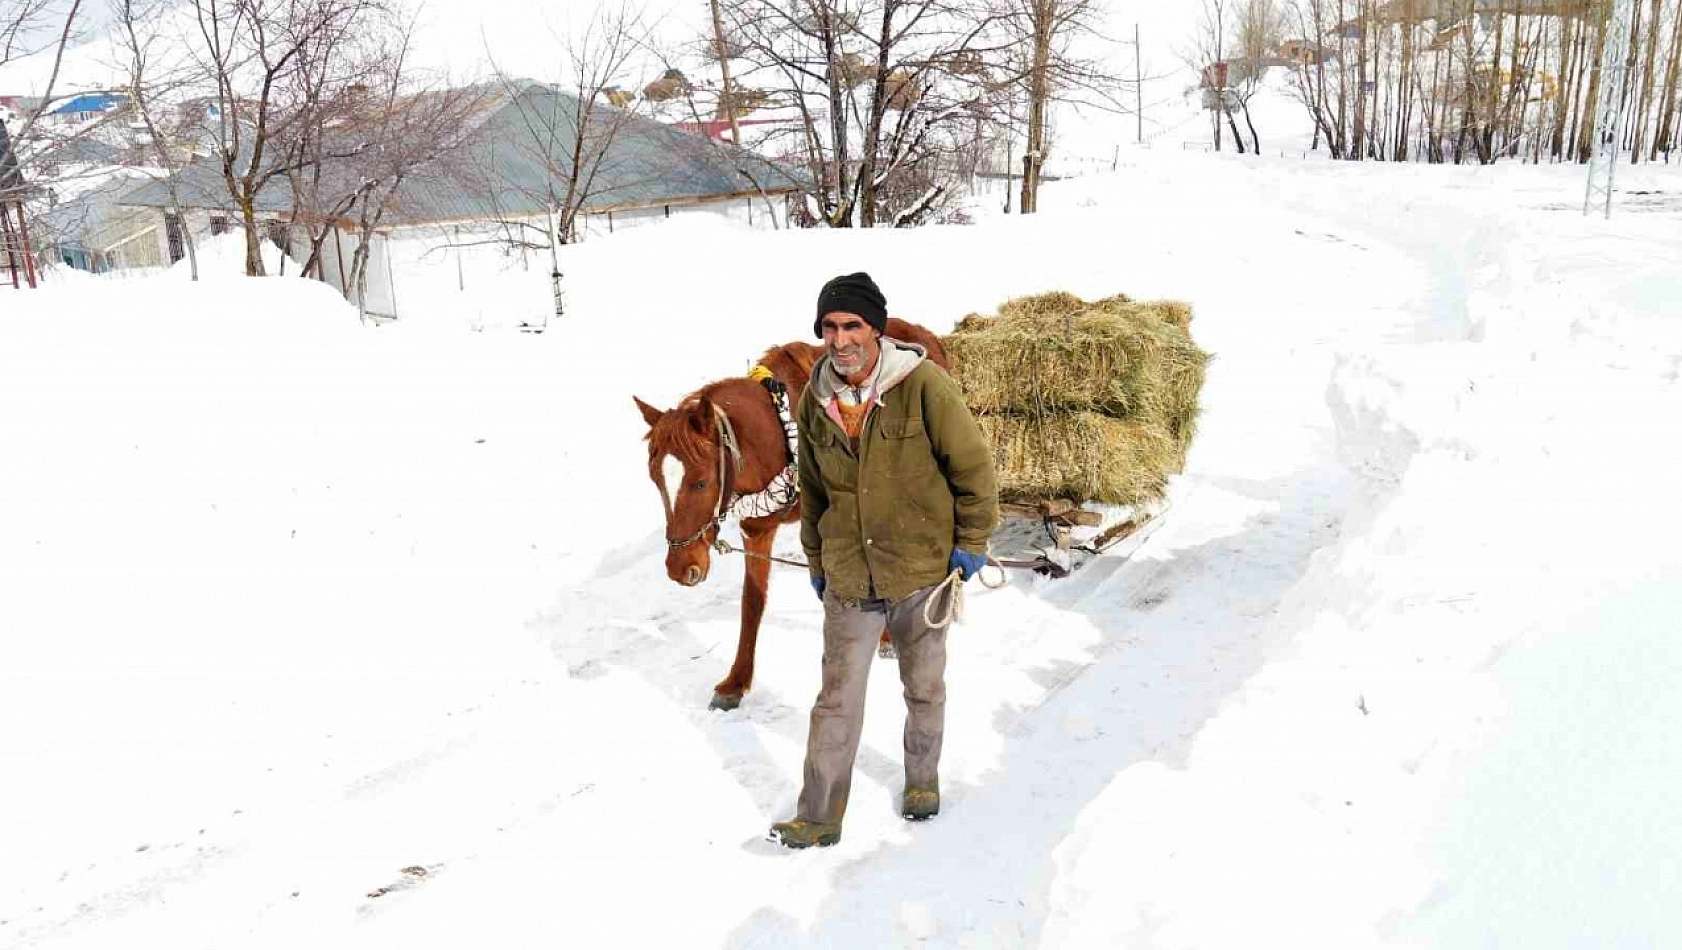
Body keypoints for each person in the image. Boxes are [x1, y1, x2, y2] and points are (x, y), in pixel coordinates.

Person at [769, 272, 998, 849]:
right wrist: (817, 559)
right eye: (829, 328)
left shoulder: (923, 386)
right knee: (835, 702)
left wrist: (971, 542)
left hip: (921, 570)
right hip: (849, 573)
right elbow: (814, 488)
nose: (840, 340)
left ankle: (921, 780)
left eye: (852, 326)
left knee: (923, 687)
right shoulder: (815, 400)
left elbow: (973, 470)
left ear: (875, 329)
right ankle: (818, 814)